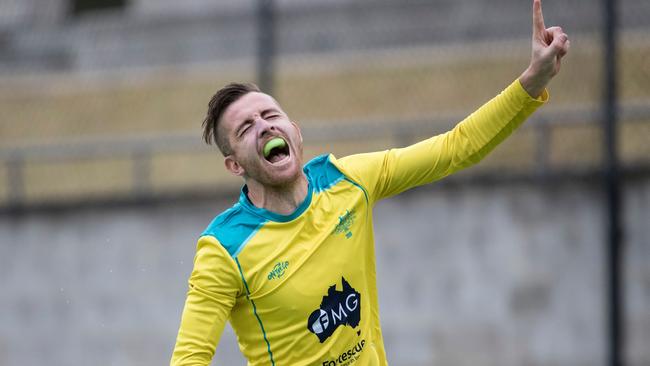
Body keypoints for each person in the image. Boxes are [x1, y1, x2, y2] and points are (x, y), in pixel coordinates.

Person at [171, 0, 569, 364]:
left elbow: (456, 147)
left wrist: (532, 82)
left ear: (294, 130)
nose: (263, 126)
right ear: (234, 165)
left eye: (270, 115)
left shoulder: (348, 181)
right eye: (244, 128)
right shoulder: (223, 251)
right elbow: (189, 359)